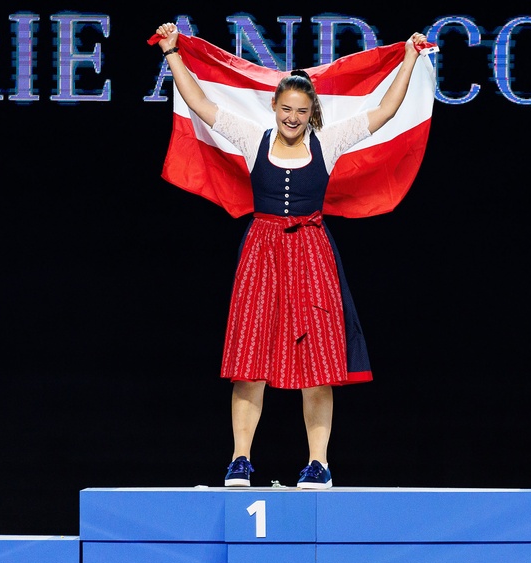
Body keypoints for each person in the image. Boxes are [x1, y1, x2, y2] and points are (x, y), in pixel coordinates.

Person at [153, 22, 431, 489]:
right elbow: (200, 104)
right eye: (286, 109)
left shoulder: (330, 142)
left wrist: (407, 60)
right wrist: (172, 54)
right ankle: (240, 459)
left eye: (301, 110)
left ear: (311, 112)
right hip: (261, 251)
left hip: (312, 252)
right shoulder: (251, 138)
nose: (292, 117)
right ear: (275, 108)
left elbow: (384, 110)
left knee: (318, 364)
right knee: (248, 361)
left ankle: (317, 463)